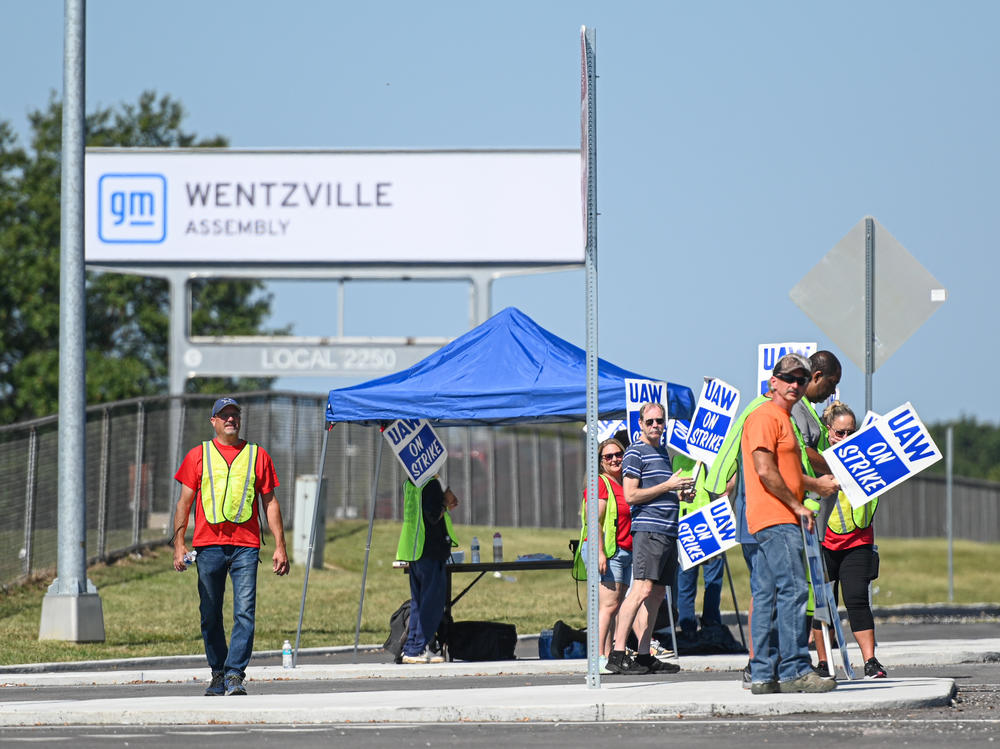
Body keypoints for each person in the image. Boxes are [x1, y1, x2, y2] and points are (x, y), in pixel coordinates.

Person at [173, 397, 290, 697]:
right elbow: (184, 503)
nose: (230, 419)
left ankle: (235, 674)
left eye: (234, 415)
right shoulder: (198, 455)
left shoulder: (257, 455)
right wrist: (178, 544)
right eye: (223, 415)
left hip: (245, 547)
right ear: (213, 421)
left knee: (245, 613)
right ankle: (218, 672)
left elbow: (270, 501)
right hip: (208, 546)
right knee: (210, 613)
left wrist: (280, 545)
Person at [742, 354, 838, 694]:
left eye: (800, 379)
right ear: (774, 382)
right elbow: (765, 470)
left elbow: (788, 472)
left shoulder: (784, 419)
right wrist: (798, 506)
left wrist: (817, 485)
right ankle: (795, 669)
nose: (795, 385)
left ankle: (763, 674)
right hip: (777, 517)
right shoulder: (766, 417)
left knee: (767, 595)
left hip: (776, 515)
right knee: (795, 590)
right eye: (789, 379)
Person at [606, 402, 694, 675]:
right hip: (649, 531)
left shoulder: (662, 453)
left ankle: (644, 654)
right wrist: (668, 486)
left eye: (660, 421)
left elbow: (656, 492)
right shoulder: (635, 452)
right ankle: (618, 653)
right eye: (651, 421)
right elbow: (631, 495)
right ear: (641, 424)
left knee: (656, 595)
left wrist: (679, 495)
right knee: (641, 590)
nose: (656, 425)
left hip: (668, 530)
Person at [811, 402, 888, 679]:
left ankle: (870, 662)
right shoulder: (819, 459)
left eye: (851, 433)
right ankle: (823, 662)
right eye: (839, 433)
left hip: (858, 540)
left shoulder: (864, 457)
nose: (845, 439)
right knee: (822, 604)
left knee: (856, 598)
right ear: (828, 430)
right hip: (823, 541)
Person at [574, 438, 633, 671]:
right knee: (608, 607)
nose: (615, 459)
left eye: (618, 454)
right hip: (608, 551)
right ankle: (597, 657)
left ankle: (609, 656)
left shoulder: (624, 483)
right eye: (608, 457)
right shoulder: (601, 483)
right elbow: (594, 520)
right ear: (600, 462)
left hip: (624, 550)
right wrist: (599, 553)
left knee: (614, 606)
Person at [395, 476, 459, 664]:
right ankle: (417, 648)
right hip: (429, 550)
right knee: (431, 604)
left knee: (419, 603)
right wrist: (445, 503)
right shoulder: (430, 483)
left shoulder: (409, 483)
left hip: (414, 550)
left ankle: (412, 649)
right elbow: (432, 515)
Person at [672, 454, 724, 642]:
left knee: (713, 580)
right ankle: (688, 627)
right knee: (687, 581)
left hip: (709, 523)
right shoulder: (678, 459)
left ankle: (709, 624)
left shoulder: (711, 458)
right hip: (688, 525)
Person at [791, 350, 842, 478]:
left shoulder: (805, 407)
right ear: (817, 376)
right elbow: (803, 452)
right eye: (831, 383)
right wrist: (839, 472)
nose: (832, 392)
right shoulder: (795, 405)